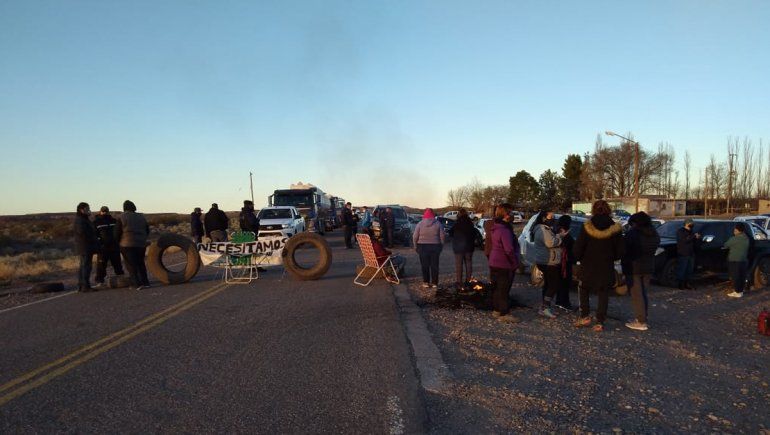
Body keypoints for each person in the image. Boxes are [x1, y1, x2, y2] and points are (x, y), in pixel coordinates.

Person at [574, 200, 625, 332]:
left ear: (593, 210)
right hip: (606, 266)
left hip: (588, 265)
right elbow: (620, 251)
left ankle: (585, 316)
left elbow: (579, 247)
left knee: (583, 288)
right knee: (603, 293)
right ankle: (600, 322)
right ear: (608, 210)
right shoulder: (615, 228)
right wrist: (611, 257)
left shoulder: (587, 227)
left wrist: (577, 258)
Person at [622, 212, 660, 331]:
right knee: (643, 294)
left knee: (636, 295)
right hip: (648, 266)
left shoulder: (633, 234)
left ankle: (641, 321)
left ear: (635, 223)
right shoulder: (654, 233)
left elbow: (624, 249)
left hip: (634, 268)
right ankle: (642, 317)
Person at [487, 204, 520, 323]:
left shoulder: (496, 227)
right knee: (504, 288)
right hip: (503, 262)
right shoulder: (505, 230)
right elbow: (509, 249)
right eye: (510, 213)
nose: (512, 215)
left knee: (496, 287)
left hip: (494, 261)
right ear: (505, 214)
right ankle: (504, 313)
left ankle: (496, 310)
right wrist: (514, 262)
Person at [530, 210, 564, 319]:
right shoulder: (542, 229)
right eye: (551, 217)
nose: (553, 220)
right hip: (548, 261)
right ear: (544, 218)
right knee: (554, 285)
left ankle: (545, 307)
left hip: (546, 260)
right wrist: (560, 236)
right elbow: (550, 243)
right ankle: (545, 307)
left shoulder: (544, 229)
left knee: (549, 284)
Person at [115, 200, 150, 290]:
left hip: (127, 244)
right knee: (140, 263)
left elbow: (117, 232)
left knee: (131, 265)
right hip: (141, 244)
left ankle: (136, 284)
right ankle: (145, 282)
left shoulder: (121, 217)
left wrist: (117, 243)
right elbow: (147, 229)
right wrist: (143, 238)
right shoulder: (141, 216)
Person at [412, 208, 445, 288]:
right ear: (433, 215)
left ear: (424, 215)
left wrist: (415, 245)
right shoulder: (438, 223)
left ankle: (426, 282)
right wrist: (441, 245)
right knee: (434, 265)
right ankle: (434, 283)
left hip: (422, 246)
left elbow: (415, 236)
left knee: (424, 265)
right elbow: (442, 236)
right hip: (435, 246)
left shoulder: (419, 224)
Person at [93, 206, 124, 288]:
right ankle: (100, 281)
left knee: (117, 264)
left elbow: (119, 231)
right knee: (101, 265)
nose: (104, 212)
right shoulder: (96, 222)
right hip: (103, 248)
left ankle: (121, 279)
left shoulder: (114, 221)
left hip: (114, 246)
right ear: (100, 212)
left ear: (108, 211)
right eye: (103, 211)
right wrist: (100, 243)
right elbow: (94, 234)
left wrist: (118, 241)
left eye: (106, 211)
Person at [73, 202, 98, 292]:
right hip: (85, 246)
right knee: (86, 266)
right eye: (87, 209)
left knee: (84, 266)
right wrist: (93, 238)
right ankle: (85, 286)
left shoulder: (83, 219)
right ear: (82, 210)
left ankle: (81, 285)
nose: (89, 211)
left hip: (85, 246)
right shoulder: (80, 220)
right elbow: (82, 233)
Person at [449, 208, 476, 289]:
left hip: (458, 248)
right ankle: (468, 281)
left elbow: (450, 233)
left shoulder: (457, 223)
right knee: (469, 263)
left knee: (459, 264)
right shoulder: (470, 223)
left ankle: (459, 282)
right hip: (469, 247)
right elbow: (474, 234)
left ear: (459, 214)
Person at [724, 222, 750, 298]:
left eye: (735, 230)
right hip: (743, 260)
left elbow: (726, 245)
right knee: (742, 276)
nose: (734, 231)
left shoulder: (735, 238)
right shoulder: (746, 237)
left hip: (735, 260)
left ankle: (737, 292)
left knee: (736, 276)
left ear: (738, 230)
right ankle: (740, 291)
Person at [555, 214, 575, 311]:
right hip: (565, 263)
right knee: (565, 283)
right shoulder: (566, 237)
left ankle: (560, 301)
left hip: (559, 262)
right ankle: (563, 302)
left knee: (561, 283)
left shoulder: (557, 234)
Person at [676, 218, 700, 290]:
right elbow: (684, 240)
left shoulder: (692, 231)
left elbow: (693, 241)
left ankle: (687, 284)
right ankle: (681, 284)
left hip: (691, 253)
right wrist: (693, 236)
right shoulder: (680, 231)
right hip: (683, 253)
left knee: (689, 270)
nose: (692, 225)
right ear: (686, 224)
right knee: (682, 269)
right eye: (690, 224)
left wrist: (697, 238)